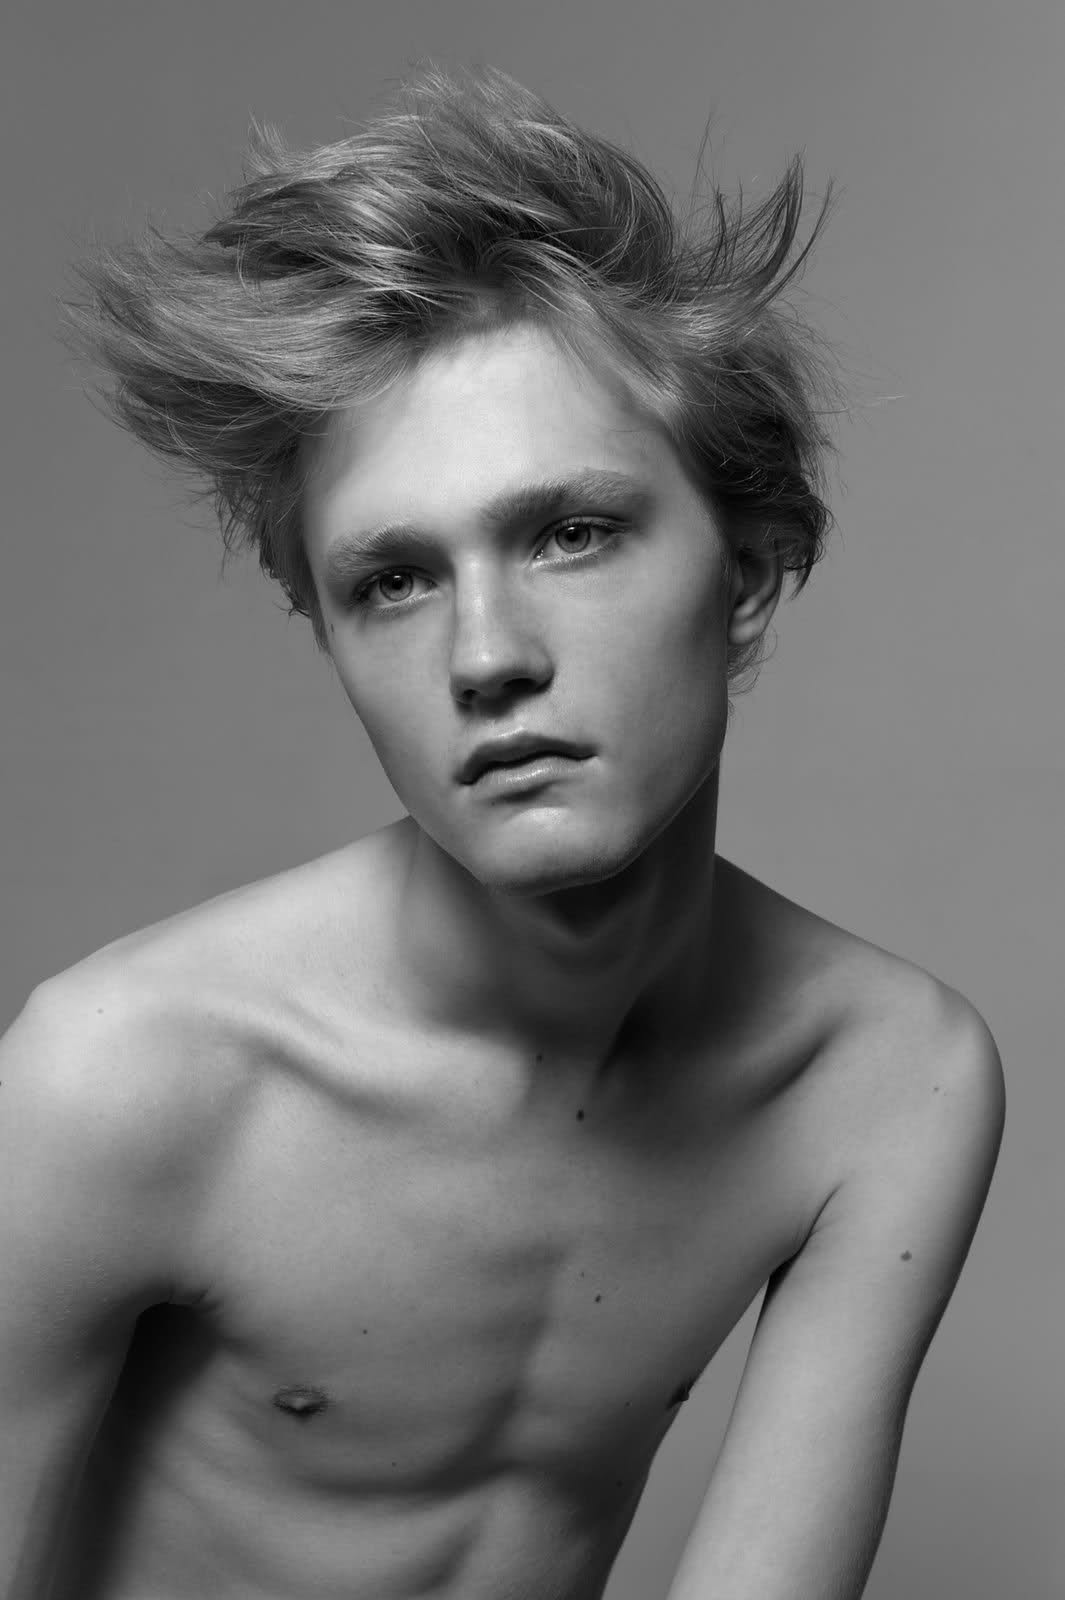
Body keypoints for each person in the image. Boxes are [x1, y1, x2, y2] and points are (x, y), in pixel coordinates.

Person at [1, 62, 1004, 1600]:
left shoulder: (883, 1079)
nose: (484, 656)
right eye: (393, 580)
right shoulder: (123, 1081)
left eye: (570, 534)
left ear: (744, 569)